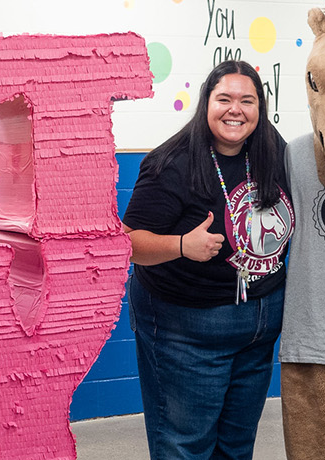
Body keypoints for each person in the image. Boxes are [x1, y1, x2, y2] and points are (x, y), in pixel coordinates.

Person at [121, 59, 293, 459]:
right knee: (185, 446)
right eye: (225, 99)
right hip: (188, 329)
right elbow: (128, 242)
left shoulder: (272, 148)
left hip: (260, 326)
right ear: (207, 103)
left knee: (236, 446)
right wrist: (181, 245)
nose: (236, 109)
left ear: (260, 108)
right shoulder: (172, 163)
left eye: (247, 101)